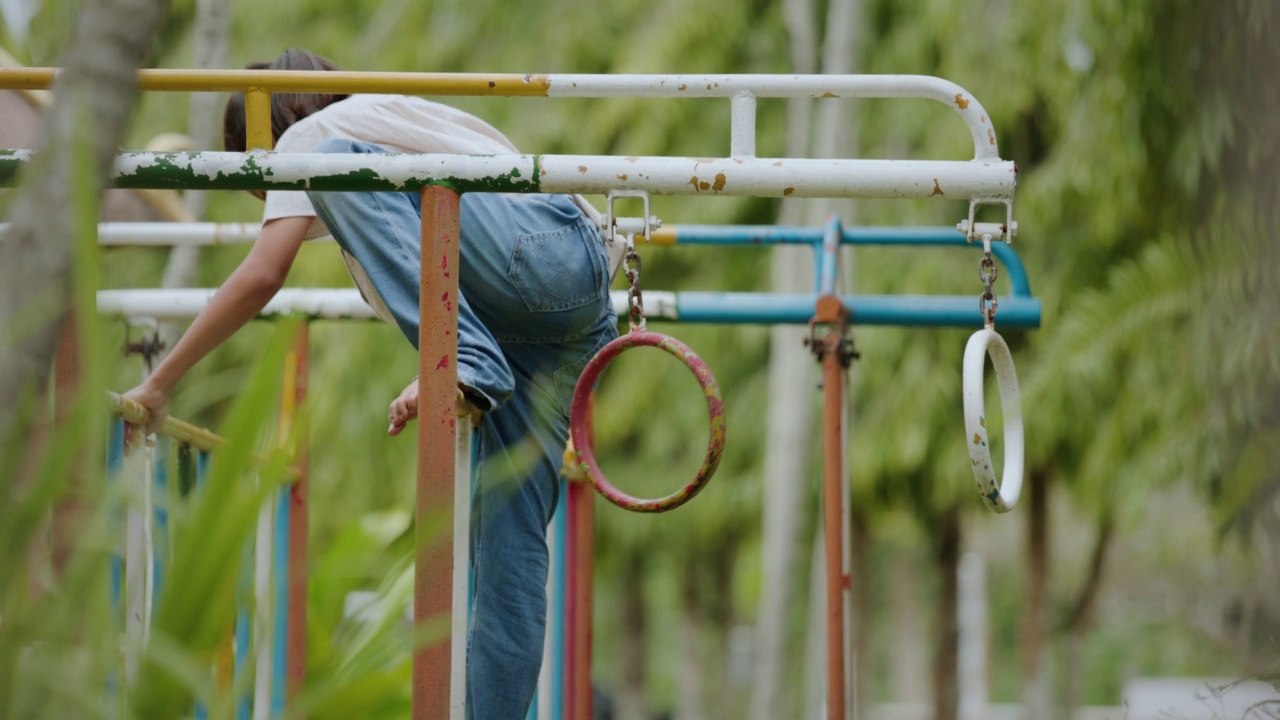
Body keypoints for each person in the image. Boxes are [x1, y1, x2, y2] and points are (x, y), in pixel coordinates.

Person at [123, 48, 618, 718]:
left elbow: (262, 275)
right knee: (507, 556)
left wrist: (160, 382)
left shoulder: (318, 144)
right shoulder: (394, 133)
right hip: (563, 311)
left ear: (264, 140)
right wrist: (444, 363)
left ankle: (467, 358)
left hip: (539, 262)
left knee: (333, 175)